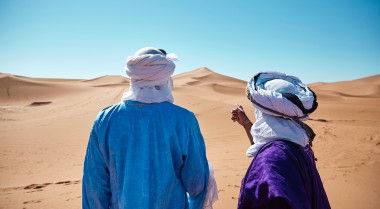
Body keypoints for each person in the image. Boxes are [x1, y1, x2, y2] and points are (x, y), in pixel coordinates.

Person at [82, 47, 217, 209]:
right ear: (166, 78)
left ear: (133, 78)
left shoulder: (105, 119)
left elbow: (94, 187)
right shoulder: (183, 119)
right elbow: (197, 184)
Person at [231, 71, 330, 209]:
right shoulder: (299, 144)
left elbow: (270, 157)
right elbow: (271, 148)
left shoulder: (270, 161)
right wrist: (246, 123)